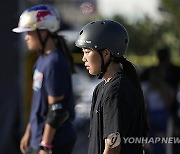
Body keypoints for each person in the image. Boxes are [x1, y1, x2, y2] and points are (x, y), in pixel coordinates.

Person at [75, 20, 149, 154]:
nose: (83, 58)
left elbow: (113, 146)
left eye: (87, 52)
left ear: (106, 54)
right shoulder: (102, 88)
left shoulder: (114, 91)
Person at [12, 4, 76, 154]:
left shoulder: (55, 62)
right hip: (38, 137)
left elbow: (57, 111)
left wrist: (45, 145)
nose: (26, 37)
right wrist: (30, 131)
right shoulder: (41, 60)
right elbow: (37, 103)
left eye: (29, 32)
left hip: (54, 142)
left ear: (43, 31)